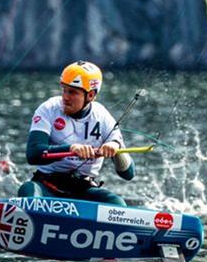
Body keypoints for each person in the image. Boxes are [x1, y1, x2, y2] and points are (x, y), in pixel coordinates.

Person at [17, 61, 135, 206]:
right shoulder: (48, 109)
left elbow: (128, 174)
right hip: (47, 185)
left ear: (90, 95)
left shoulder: (103, 117)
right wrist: (71, 149)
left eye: (72, 92)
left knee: (117, 203)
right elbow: (33, 154)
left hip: (84, 189)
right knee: (27, 190)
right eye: (64, 90)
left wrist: (116, 150)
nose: (65, 97)